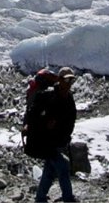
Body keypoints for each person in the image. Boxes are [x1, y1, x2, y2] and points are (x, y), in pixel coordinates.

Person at [29, 67, 79, 203]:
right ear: (60, 80)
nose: (69, 83)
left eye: (71, 80)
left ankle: (40, 198)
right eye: (67, 80)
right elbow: (33, 115)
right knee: (63, 166)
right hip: (45, 142)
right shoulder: (48, 96)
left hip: (59, 142)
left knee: (50, 171)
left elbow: (71, 119)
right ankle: (68, 198)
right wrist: (46, 122)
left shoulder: (68, 98)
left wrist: (66, 135)